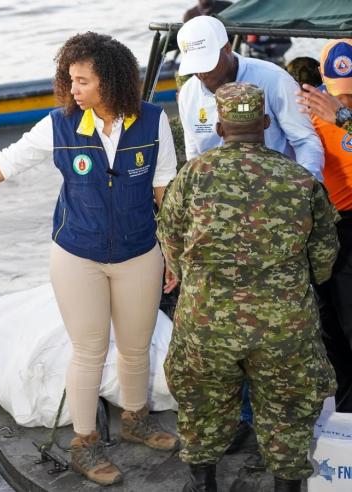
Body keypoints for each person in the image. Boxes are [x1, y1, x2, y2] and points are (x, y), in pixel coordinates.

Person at [0, 32, 178, 485]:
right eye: (70, 80)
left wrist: (172, 252)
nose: (73, 90)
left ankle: (136, 419)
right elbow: (4, 164)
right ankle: (85, 444)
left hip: (139, 252)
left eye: (83, 81)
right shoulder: (60, 124)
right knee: (88, 351)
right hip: (78, 255)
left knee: (135, 345)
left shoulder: (152, 121)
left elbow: (164, 187)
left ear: (110, 81)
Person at [157, 82, 338, 492]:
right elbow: (324, 259)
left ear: (220, 127)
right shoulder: (299, 180)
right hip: (283, 327)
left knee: (201, 408)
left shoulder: (191, 177)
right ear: (267, 123)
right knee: (288, 414)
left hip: (206, 324)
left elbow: (172, 247)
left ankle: (203, 483)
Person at [177, 15, 325, 181]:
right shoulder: (187, 95)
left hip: (277, 191)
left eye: (207, 63)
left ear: (227, 48)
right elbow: (195, 155)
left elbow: (304, 140)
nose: (201, 72)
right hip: (218, 197)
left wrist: (307, 186)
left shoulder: (274, 79)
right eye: (195, 65)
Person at [296, 39, 352, 413]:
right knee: (329, 326)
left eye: (350, 94)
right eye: (338, 93)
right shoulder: (310, 107)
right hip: (324, 224)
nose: (343, 100)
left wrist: (343, 119)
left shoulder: (337, 113)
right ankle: (346, 408)